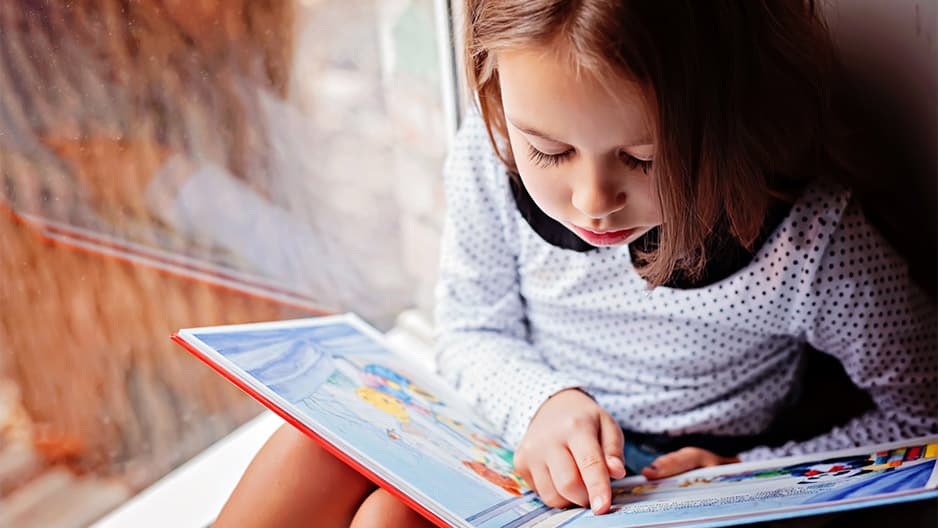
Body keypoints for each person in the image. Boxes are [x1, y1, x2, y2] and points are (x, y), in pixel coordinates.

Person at [214, 1, 937, 526]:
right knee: (306, 451)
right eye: (549, 152)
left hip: (661, 487)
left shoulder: (813, 246)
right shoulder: (487, 158)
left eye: (644, 158)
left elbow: (924, 414)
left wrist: (756, 477)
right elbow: (470, 331)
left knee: (389, 524)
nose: (592, 202)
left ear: (731, 115)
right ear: (494, 94)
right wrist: (542, 405)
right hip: (522, 421)